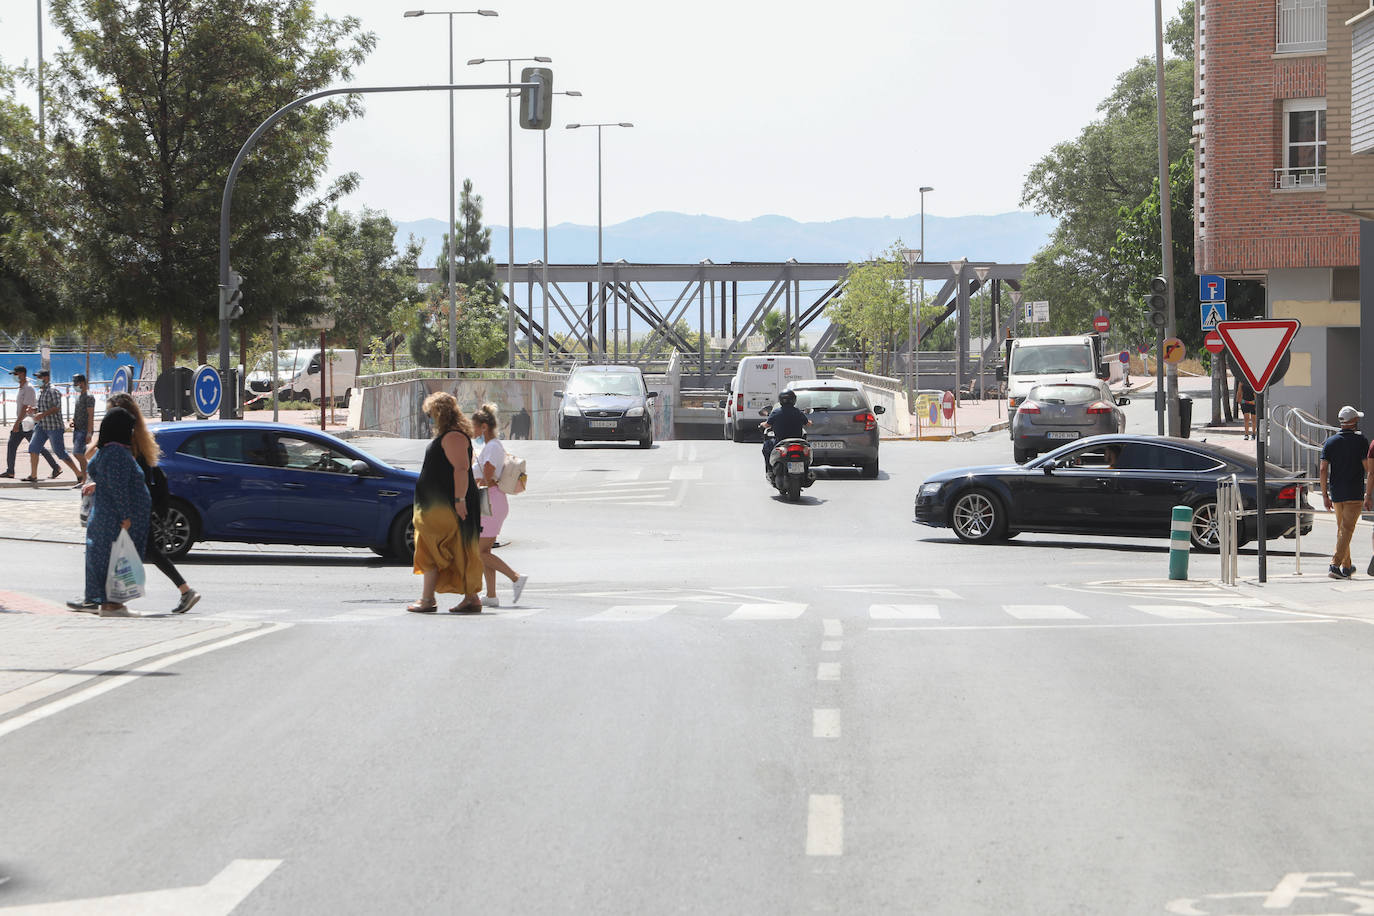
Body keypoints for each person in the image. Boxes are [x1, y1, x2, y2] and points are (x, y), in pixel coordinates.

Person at [105, 392, 200, 614]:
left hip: (133, 504)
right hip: (143, 502)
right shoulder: (139, 435)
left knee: (117, 549)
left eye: (111, 411)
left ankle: (107, 599)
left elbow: (125, 476)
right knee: (147, 550)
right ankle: (185, 590)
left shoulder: (125, 440)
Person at [407, 392, 483, 614]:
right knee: (451, 547)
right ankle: (469, 598)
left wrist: (459, 500)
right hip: (440, 504)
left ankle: (429, 599)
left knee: (432, 547)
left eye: (431, 414)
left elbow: (461, 470)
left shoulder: (453, 437)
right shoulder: (452, 436)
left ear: (439, 414)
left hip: (446, 505)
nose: (429, 418)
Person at [73, 408, 151, 616]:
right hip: (115, 519)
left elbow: (100, 473)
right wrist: (126, 515)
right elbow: (119, 487)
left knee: (109, 558)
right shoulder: (117, 452)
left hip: (104, 516)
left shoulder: (107, 450)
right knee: (116, 559)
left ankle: (111, 604)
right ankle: (113, 605)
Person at [469, 403, 528, 608]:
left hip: (491, 501)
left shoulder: (493, 446)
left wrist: (476, 481)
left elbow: (488, 476)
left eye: (474, 427)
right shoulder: (491, 446)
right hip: (492, 501)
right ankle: (492, 595)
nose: (472, 431)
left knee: (481, 552)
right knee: (484, 551)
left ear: (484, 427)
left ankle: (515, 577)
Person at [1318, 405, 1371, 580]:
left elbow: (1323, 469)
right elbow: (1367, 468)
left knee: (1342, 530)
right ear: (1354, 421)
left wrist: (1324, 495)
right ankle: (1335, 564)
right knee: (1346, 530)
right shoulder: (1361, 441)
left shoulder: (1330, 442)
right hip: (1354, 493)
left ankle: (1347, 566)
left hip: (1336, 493)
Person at [25, 369, 83, 484]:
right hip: (42, 426)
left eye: (39, 377)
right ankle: (33, 475)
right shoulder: (41, 391)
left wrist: (42, 414)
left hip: (54, 427)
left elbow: (56, 407)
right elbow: (42, 407)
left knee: (60, 452)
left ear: (46, 378)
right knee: (33, 448)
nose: (38, 380)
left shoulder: (53, 390)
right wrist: (34, 410)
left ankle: (79, 474)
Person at [2, 365, 58, 479]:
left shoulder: (28, 388)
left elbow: (25, 407)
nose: (14, 376)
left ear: (22, 374)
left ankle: (56, 467)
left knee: (37, 447)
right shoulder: (22, 387)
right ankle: (10, 471)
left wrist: (17, 423)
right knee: (12, 445)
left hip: (27, 423)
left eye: (15, 374)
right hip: (22, 423)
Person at [759, 388, 810, 474]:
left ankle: (770, 471)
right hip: (797, 441)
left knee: (766, 448)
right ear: (794, 400)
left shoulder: (776, 412)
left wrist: (762, 424)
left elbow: (767, 424)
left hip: (780, 441)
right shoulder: (797, 412)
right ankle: (807, 470)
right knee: (808, 450)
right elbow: (807, 424)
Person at [70, 374, 96, 486]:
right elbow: (78, 412)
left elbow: (91, 416)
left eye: (76, 383)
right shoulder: (80, 395)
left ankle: (87, 478)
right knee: (78, 454)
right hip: (77, 428)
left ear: (82, 383)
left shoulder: (89, 397)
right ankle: (85, 479)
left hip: (84, 430)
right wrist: (73, 420)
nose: (75, 386)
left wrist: (89, 433)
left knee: (78, 453)